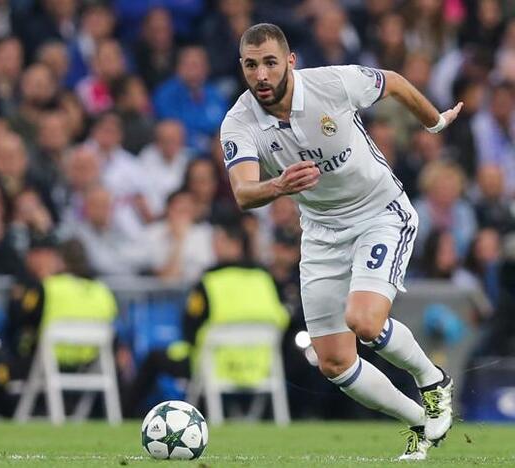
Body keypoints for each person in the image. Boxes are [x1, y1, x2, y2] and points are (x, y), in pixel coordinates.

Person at [221, 23, 461, 460]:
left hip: (379, 214)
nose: (262, 75)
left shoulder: (332, 83)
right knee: (333, 361)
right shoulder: (238, 122)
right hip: (320, 234)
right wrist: (279, 186)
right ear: (242, 68)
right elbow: (242, 192)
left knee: (365, 322)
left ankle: (434, 380)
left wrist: (435, 122)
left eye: (270, 63)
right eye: (252, 65)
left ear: (290, 61)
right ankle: (420, 422)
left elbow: (394, 82)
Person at [123, 221, 288, 417]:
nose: (214, 247)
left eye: (219, 241)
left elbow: (190, 325)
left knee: (155, 358)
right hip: (262, 366)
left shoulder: (210, 280)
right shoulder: (265, 279)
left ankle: (127, 416)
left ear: (235, 244)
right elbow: (282, 318)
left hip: (213, 365)